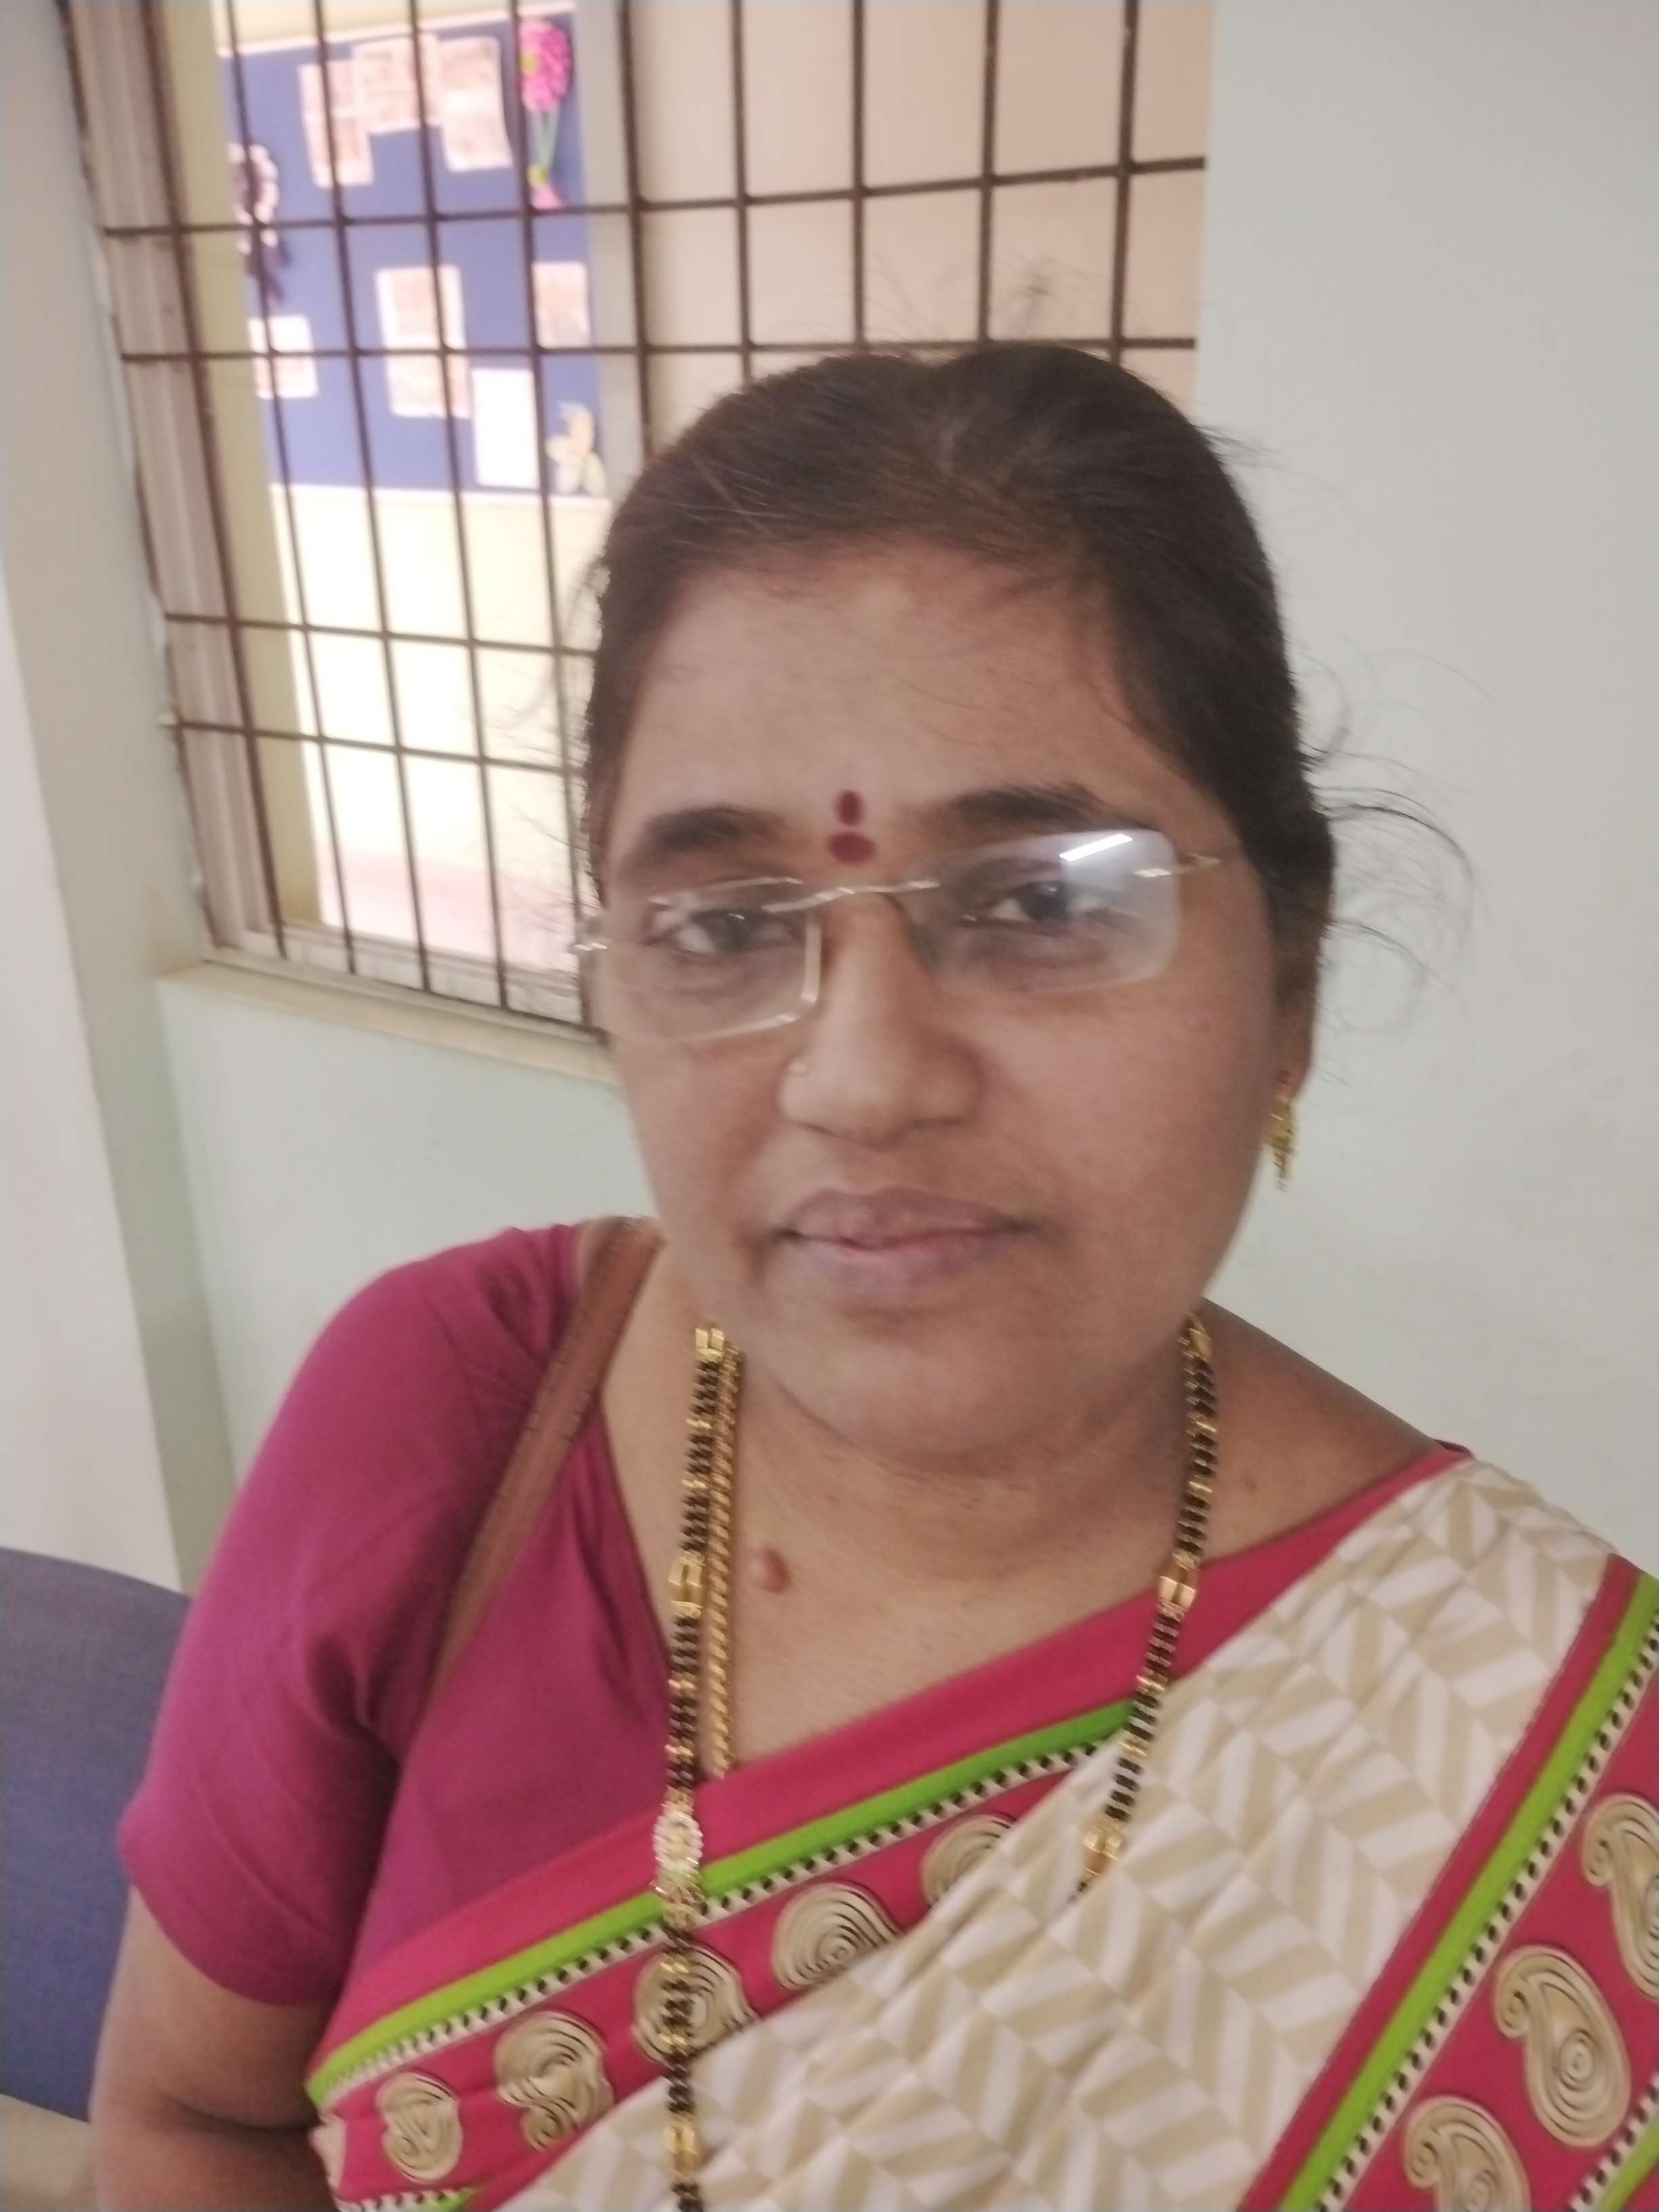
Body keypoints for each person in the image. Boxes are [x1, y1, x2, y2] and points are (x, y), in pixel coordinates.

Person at [92, 347, 1658, 2212]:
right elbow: (195, 2123)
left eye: (1045, 899)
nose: (861, 1079)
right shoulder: (448, 1414)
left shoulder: (1549, 1750)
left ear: (1289, 985)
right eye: (725, 923)